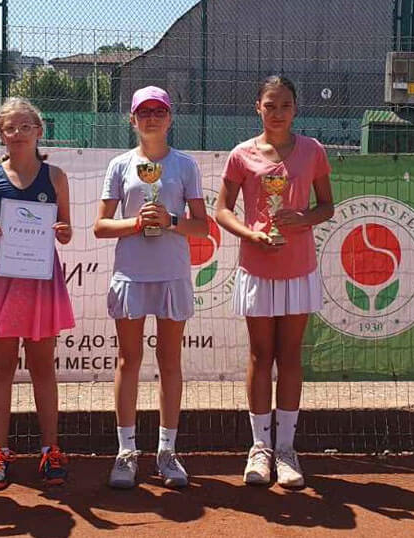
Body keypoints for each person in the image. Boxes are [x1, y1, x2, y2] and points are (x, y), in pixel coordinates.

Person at [215, 75, 334, 488]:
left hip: (299, 268)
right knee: (259, 355)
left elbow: (327, 207)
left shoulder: (313, 151)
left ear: (295, 108)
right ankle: (260, 448)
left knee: (290, 356)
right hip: (257, 267)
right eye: (270, 105)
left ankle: (286, 449)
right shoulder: (241, 154)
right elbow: (222, 210)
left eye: (285, 105)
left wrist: (303, 218)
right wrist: (250, 233)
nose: (277, 112)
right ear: (258, 108)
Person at [93, 86, 208, 489]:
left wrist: (170, 220)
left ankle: (167, 451)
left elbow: (202, 226)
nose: (152, 118)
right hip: (131, 275)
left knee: (170, 362)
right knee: (129, 361)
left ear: (170, 118)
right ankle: (126, 451)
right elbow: (101, 226)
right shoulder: (119, 165)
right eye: (145, 112)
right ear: (133, 119)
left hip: (172, 275)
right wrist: (137, 223)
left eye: (159, 111)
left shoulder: (185, 165)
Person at [0, 97, 76, 490]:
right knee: (2, 367)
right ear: (1, 134)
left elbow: (66, 229)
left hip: (41, 279)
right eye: (9, 127)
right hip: (1, 279)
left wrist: (63, 231)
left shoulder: (55, 176)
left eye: (25, 126)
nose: (17, 133)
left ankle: (50, 450)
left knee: (43, 367)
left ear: (39, 131)